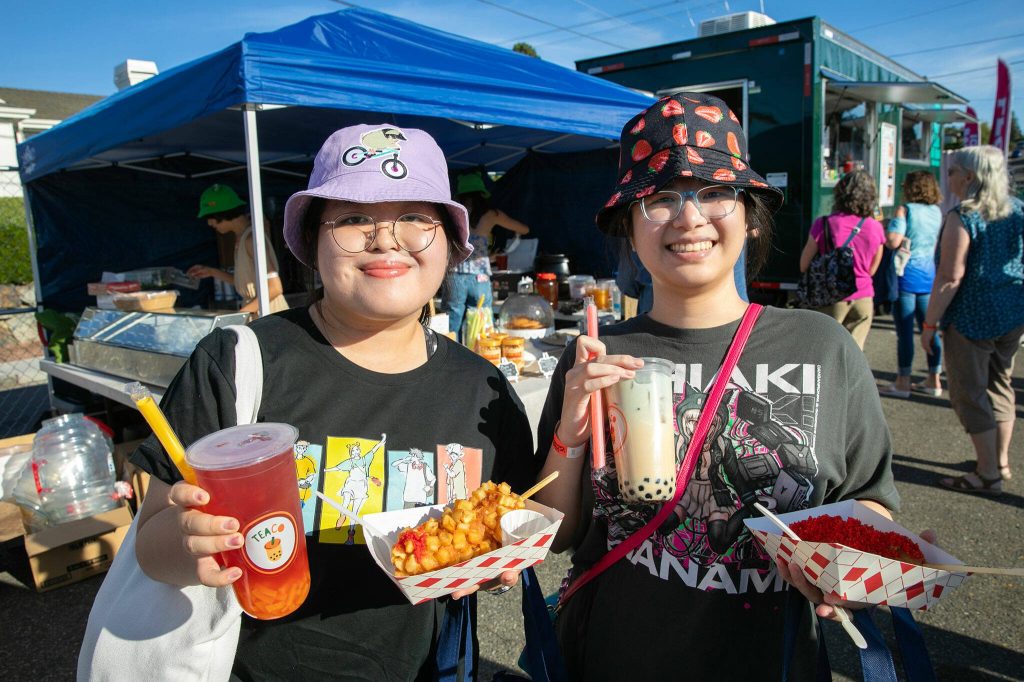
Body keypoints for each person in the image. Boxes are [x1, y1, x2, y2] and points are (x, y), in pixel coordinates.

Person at [129, 125, 535, 679]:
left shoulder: (485, 390)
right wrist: (187, 546)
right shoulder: (238, 362)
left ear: (450, 243)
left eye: (417, 217)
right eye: (352, 219)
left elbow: (514, 520)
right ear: (311, 242)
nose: (387, 239)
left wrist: (492, 561)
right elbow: (152, 545)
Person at [533, 93, 903, 680]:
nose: (688, 217)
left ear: (750, 214)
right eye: (658, 199)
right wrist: (571, 434)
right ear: (630, 225)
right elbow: (557, 534)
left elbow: (871, 500)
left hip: (770, 660)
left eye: (714, 192)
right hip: (610, 655)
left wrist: (857, 561)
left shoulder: (822, 347)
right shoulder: (597, 359)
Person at [922, 146, 1024, 495]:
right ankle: (1001, 462)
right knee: (1000, 386)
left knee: (970, 394)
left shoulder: (963, 216)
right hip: (1012, 314)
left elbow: (950, 277)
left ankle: (987, 474)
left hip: (972, 318)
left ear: (969, 176)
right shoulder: (1018, 210)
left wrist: (930, 324)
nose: (947, 177)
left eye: (952, 171)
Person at [799, 170, 886, 349]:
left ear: (840, 193)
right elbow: (872, 270)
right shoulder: (876, 227)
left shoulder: (823, 223)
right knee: (855, 354)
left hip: (832, 296)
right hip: (864, 297)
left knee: (828, 351)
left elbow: (803, 265)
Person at [879, 171, 944, 398]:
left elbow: (893, 241)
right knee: (930, 328)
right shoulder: (937, 211)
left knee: (905, 332)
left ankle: (903, 381)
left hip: (906, 275)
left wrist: (888, 227)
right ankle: (934, 379)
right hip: (930, 276)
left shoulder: (905, 210)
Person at [443, 171, 529, 337]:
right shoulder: (491, 215)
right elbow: (524, 229)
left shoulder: (452, 214)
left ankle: (450, 358)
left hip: (454, 275)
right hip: (479, 277)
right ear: (482, 193)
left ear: (460, 194)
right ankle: (478, 359)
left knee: (452, 322)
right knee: (481, 323)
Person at [188, 183, 290, 314]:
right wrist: (211, 272)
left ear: (222, 214)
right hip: (258, 312)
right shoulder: (242, 238)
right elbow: (246, 284)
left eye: (209, 217)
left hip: (269, 314)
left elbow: (275, 288)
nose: (209, 223)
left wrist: (240, 316)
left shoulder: (251, 240)